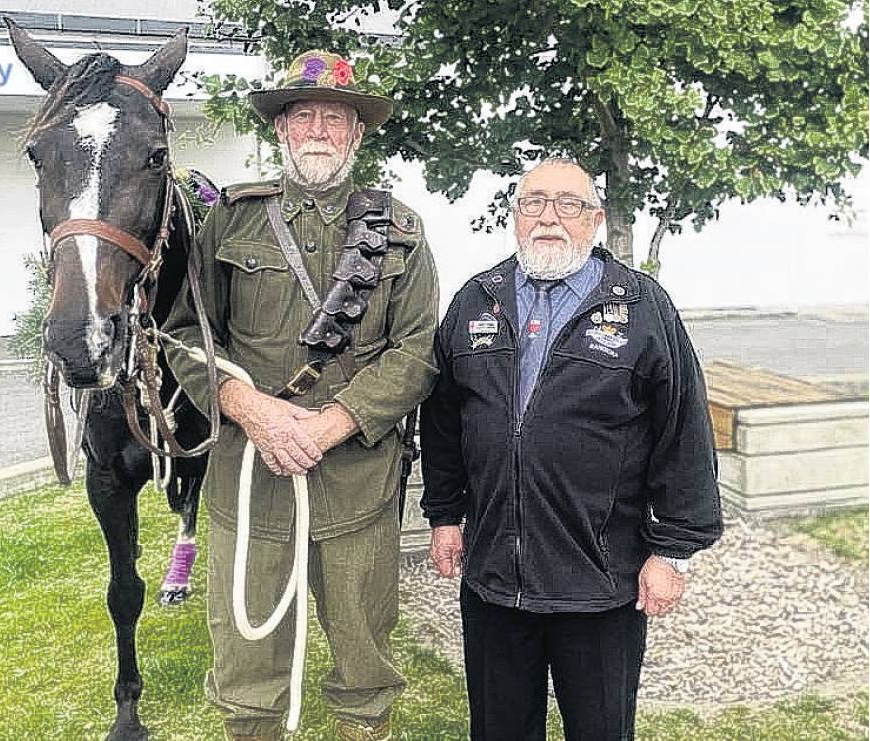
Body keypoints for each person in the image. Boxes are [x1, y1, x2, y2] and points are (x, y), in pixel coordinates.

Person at [163, 50, 439, 741]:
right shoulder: (230, 218)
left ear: (356, 134)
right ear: (281, 129)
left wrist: (331, 423)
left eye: (334, 118)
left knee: (363, 646)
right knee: (245, 650)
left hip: (357, 480)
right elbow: (180, 336)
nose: (318, 130)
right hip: (248, 477)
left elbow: (417, 350)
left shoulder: (399, 230)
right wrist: (249, 408)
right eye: (303, 115)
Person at [419, 158, 722, 741]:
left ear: (596, 220)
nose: (549, 218)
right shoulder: (476, 300)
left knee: (602, 729)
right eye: (534, 202)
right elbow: (443, 420)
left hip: (600, 582)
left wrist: (675, 550)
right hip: (494, 578)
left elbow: (683, 428)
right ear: (514, 217)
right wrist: (445, 515)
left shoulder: (641, 307)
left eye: (569, 204)